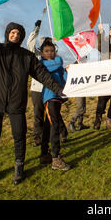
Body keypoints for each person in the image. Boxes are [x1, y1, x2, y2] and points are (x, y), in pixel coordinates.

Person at [0, 10, 65, 185]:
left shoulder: (26, 56)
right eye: (12, 32)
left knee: (19, 135)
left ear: (21, 37)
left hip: (16, 102)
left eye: (18, 33)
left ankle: (19, 167)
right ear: (7, 34)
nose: (15, 35)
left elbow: (42, 74)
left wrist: (57, 89)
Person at [27, 19, 68, 146]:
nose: (49, 46)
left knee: (54, 113)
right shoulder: (36, 56)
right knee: (38, 113)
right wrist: (36, 29)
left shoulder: (54, 58)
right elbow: (30, 44)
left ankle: (62, 132)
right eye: (46, 43)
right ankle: (38, 138)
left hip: (51, 89)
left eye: (50, 44)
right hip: (38, 89)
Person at [40, 39, 71, 170]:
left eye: (52, 51)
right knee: (55, 125)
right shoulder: (43, 64)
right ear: (42, 54)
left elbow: (64, 79)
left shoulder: (57, 65)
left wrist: (68, 71)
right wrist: (59, 61)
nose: (50, 53)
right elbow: (55, 63)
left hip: (57, 98)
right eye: (47, 51)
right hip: (49, 97)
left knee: (48, 126)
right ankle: (55, 158)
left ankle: (44, 155)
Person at [93, 22, 111, 130]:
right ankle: (98, 119)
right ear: (110, 32)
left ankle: (110, 120)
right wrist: (100, 32)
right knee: (102, 99)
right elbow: (99, 46)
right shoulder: (105, 41)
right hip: (105, 75)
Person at [68, 56, 90, 132]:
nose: (86, 59)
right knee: (81, 108)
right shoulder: (74, 65)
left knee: (83, 107)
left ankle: (80, 124)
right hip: (78, 89)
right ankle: (71, 122)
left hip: (83, 88)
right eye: (84, 58)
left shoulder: (85, 65)